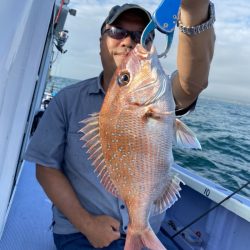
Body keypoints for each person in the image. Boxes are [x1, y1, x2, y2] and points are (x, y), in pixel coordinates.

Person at [24, 1, 215, 249]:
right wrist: (87, 224)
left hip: (148, 230)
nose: (128, 42)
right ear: (101, 41)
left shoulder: (161, 94)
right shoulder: (66, 101)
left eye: (139, 36)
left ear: (151, 44)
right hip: (82, 233)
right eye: (117, 32)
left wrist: (194, 11)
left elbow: (192, 82)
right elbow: (45, 169)